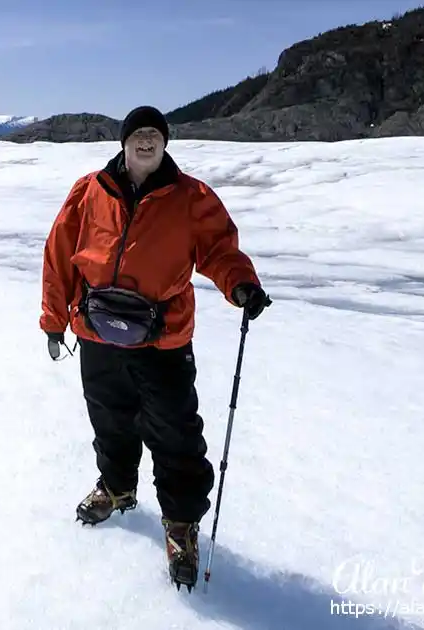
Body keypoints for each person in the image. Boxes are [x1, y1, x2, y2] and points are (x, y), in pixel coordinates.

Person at [39, 105, 271, 589]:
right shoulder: (89, 191)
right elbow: (60, 253)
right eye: (138, 134)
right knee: (110, 418)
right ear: (123, 143)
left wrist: (240, 284)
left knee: (174, 432)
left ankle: (181, 523)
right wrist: (54, 318)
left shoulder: (191, 197)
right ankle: (118, 487)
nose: (146, 141)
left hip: (162, 336)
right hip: (97, 331)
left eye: (154, 135)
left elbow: (219, 250)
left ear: (165, 143)